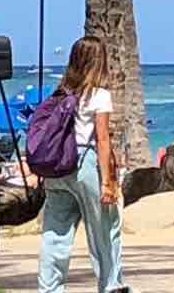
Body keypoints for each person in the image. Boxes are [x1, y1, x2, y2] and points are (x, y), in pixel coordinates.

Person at [38, 36, 134, 293]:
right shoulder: (99, 95)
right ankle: (111, 285)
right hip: (84, 163)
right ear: (98, 62)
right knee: (105, 228)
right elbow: (103, 140)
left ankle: (49, 289)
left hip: (57, 167)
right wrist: (107, 182)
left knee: (55, 234)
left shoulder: (59, 93)